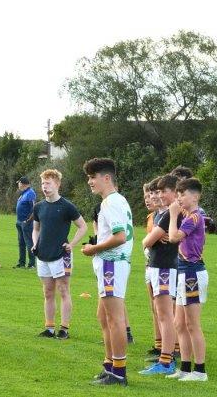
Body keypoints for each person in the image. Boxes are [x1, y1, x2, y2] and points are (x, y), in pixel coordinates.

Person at [80, 158, 133, 386]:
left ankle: (119, 372)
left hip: (112, 264)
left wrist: (94, 248)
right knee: (103, 316)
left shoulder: (110, 202)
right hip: (111, 264)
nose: (90, 182)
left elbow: (120, 236)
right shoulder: (117, 200)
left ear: (106, 178)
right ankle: (109, 364)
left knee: (114, 318)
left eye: (93, 177)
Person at [30, 169, 87, 339]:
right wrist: (35, 243)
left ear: (57, 184)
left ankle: (64, 329)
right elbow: (36, 229)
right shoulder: (39, 206)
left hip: (61, 255)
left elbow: (83, 226)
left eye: (48, 183)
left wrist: (72, 244)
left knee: (63, 290)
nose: (44, 187)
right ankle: (49, 328)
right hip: (43, 255)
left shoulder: (67, 206)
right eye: (43, 183)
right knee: (48, 292)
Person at [167, 178, 208, 381]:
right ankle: (184, 368)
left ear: (195, 196)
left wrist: (173, 215)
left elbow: (174, 237)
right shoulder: (189, 215)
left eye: (183, 194)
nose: (179, 198)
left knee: (192, 324)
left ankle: (200, 371)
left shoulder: (194, 218)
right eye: (178, 194)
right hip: (184, 272)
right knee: (179, 323)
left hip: (192, 272)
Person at [139, 175, 179, 376]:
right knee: (162, 313)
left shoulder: (171, 212)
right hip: (158, 266)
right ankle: (166, 357)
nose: (160, 195)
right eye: (158, 191)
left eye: (164, 191)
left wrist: (148, 239)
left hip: (164, 267)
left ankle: (166, 361)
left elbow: (147, 241)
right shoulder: (165, 213)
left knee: (165, 315)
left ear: (174, 192)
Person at [14, 176, 37, 268]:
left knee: (29, 243)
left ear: (23, 184)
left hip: (26, 222)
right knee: (21, 243)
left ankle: (31, 264)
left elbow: (34, 208)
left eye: (19, 183)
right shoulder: (23, 193)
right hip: (19, 221)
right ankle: (21, 263)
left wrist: (28, 220)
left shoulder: (30, 193)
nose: (18, 185)